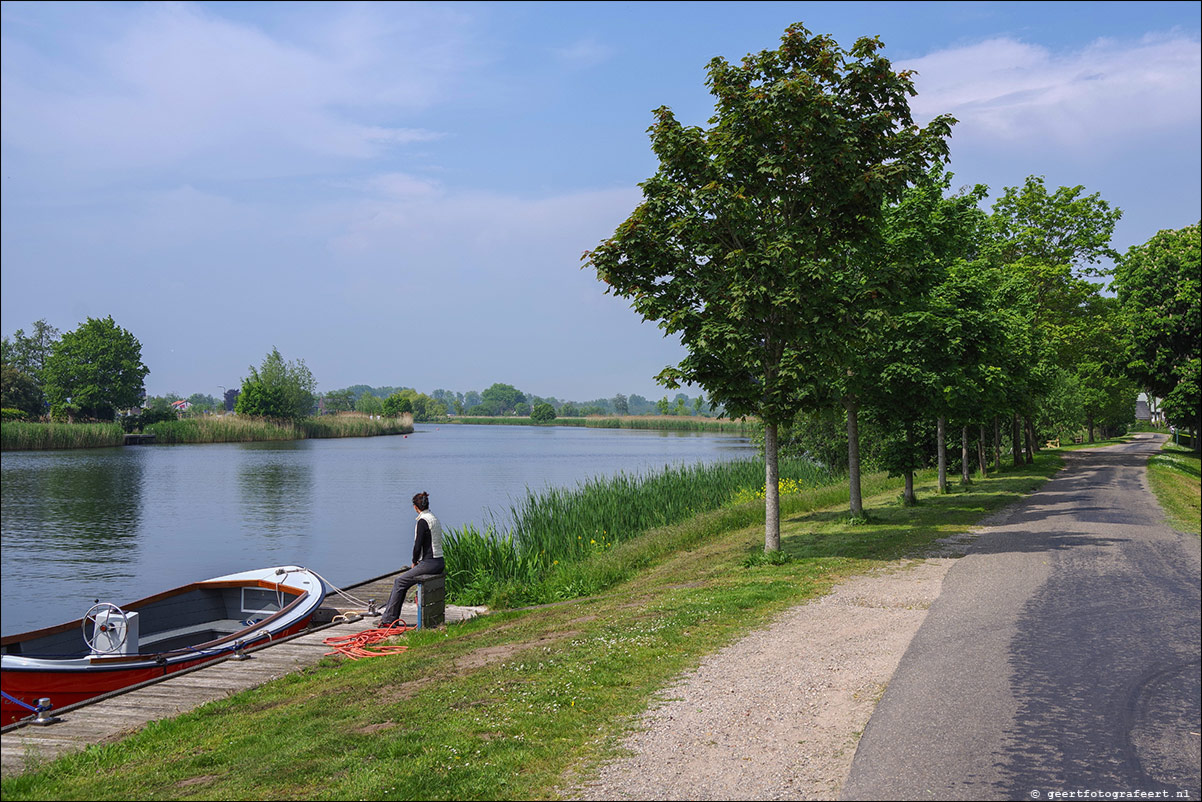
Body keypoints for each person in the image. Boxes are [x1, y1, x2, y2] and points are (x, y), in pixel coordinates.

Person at [378, 491, 445, 628]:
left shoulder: (422, 521)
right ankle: (390, 617)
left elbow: (417, 545)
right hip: (439, 561)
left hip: (430, 563)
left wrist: (414, 561)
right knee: (402, 582)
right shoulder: (434, 518)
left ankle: (389, 619)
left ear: (415, 507)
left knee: (400, 582)